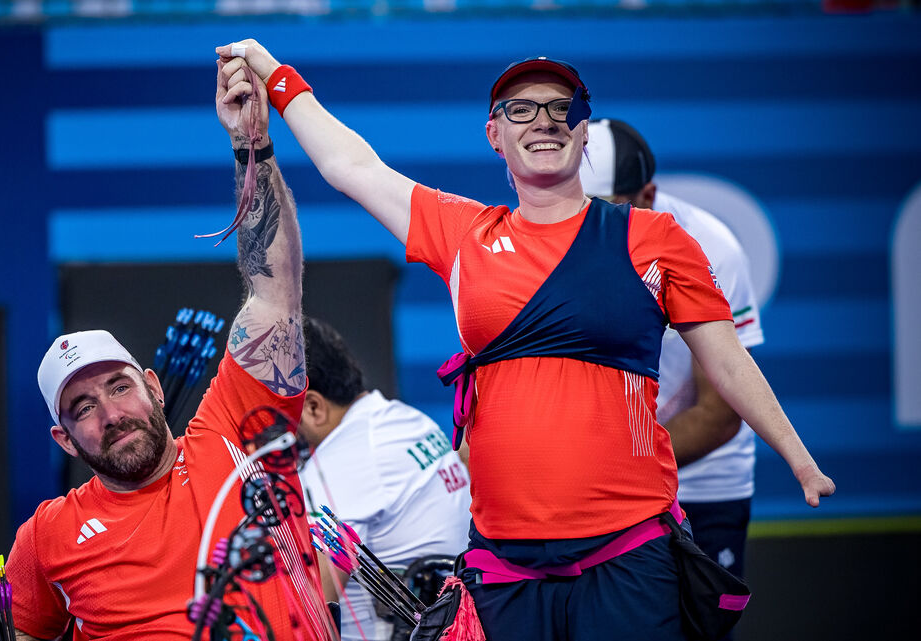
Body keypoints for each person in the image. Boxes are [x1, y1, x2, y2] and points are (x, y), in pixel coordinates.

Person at [215, 41, 835, 641]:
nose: (545, 121)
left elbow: (726, 361)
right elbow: (350, 167)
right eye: (522, 109)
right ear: (494, 134)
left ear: (585, 130)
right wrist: (275, 74)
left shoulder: (657, 239)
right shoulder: (464, 235)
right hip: (505, 570)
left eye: (562, 109)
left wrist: (798, 457)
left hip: (627, 556)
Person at [6, 58, 333, 641]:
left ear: (153, 388)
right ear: (64, 440)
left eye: (119, 386)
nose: (110, 415)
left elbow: (274, 295)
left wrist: (250, 144)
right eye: (82, 408)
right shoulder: (45, 537)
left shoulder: (231, 436)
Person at [580, 118, 764, 598]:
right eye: (581, 205)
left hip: (699, 485)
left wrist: (601, 469)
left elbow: (720, 416)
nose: (588, 223)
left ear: (648, 194)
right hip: (599, 480)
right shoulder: (560, 235)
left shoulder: (712, 251)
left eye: (606, 208)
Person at [297, 316, 471, 641]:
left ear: (313, 407)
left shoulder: (337, 465)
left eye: (281, 412)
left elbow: (306, 609)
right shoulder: (410, 420)